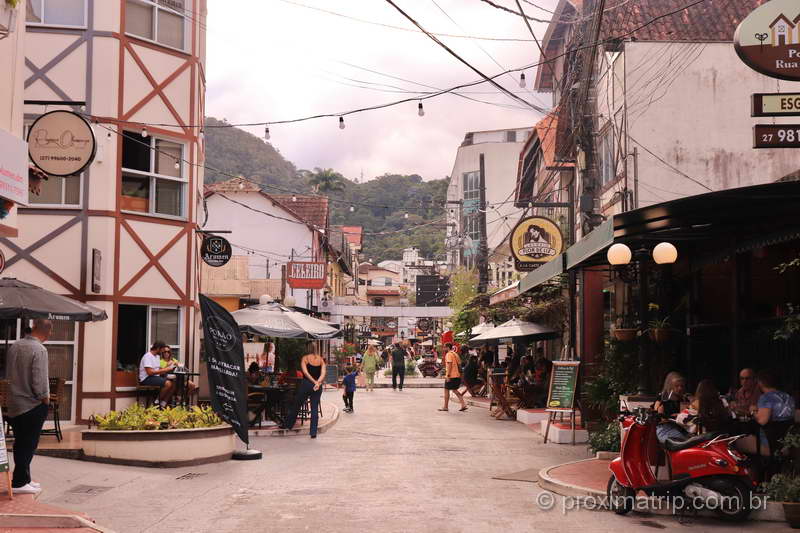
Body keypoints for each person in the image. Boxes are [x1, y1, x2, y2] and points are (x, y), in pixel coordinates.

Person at [6, 319, 52, 494]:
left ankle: (24, 478)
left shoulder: (15, 346)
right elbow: (39, 379)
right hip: (31, 404)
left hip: (14, 402)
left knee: (21, 441)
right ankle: (19, 482)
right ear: (47, 331)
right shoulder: (40, 349)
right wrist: (45, 399)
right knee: (29, 443)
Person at [737, 370, 796, 456]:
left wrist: (753, 410)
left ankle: (752, 468)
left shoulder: (766, 397)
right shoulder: (788, 397)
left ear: (761, 382)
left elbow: (762, 421)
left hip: (770, 444)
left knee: (735, 442)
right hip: (786, 443)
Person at [282, 342, 326, 438]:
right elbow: (323, 373)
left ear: (308, 348)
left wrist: (313, 382)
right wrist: (317, 382)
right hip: (317, 386)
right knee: (314, 408)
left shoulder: (305, 358)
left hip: (306, 384)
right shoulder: (321, 360)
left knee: (297, 404)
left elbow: (305, 373)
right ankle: (313, 433)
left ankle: (288, 425)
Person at [653, 371, 691, 443]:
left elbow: (687, 413)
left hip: (682, 428)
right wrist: (668, 416)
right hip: (665, 428)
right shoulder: (662, 398)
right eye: (677, 386)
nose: (680, 388)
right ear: (670, 386)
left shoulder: (684, 399)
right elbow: (658, 416)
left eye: (682, 386)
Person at [139, 341, 176, 408]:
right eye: (162, 350)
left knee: (173, 383)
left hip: (155, 377)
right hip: (146, 378)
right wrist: (165, 369)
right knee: (168, 383)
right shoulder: (148, 356)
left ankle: (163, 403)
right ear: (158, 348)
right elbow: (149, 372)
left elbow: (158, 370)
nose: (163, 352)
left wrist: (168, 367)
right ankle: (156, 402)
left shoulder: (157, 356)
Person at [439, 343, 467, 412]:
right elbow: (460, 365)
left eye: (444, 347)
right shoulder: (455, 354)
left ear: (448, 347)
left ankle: (445, 407)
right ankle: (463, 404)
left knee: (446, 390)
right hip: (457, 375)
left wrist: (448, 375)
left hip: (451, 375)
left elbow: (449, 365)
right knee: (455, 390)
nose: (443, 349)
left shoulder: (448, 354)